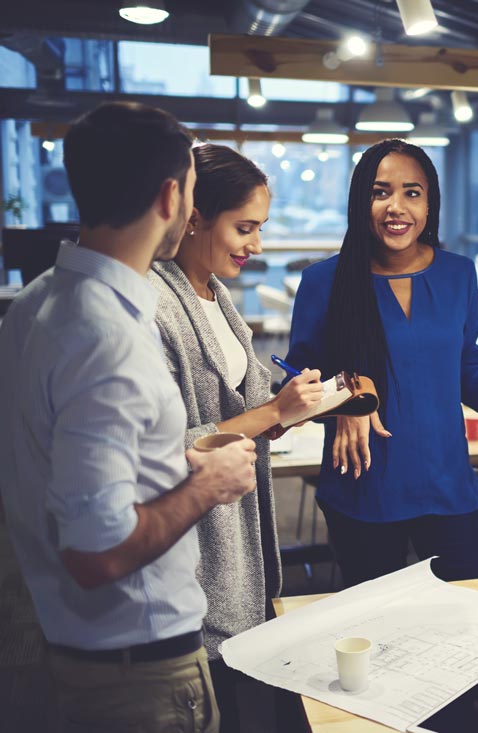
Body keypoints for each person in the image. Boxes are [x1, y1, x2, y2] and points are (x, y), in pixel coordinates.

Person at [0, 102, 258, 732]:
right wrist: (207, 485)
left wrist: (176, 461)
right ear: (171, 197)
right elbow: (99, 550)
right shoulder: (107, 335)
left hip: (74, 649)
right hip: (136, 672)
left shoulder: (36, 303)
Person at [286, 139, 478, 585]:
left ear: (430, 204)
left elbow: (465, 364)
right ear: (360, 201)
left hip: (448, 484)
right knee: (378, 633)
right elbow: (296, 385)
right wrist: (346, 396)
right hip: (364, 489)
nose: (397, 207)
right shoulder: (323, 282)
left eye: (413, 192)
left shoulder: (458, 274)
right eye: (380, 192)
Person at [150, 143, 324, 730]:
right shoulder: (154, 305)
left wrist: (291, 409)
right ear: (194, 214)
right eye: (244, 228)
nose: (257, 246)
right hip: (195, 548)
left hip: (242, 542)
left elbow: (248, 413)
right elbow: (170, 449)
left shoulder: (217, 295)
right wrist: (272, 408)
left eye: (261, 229)